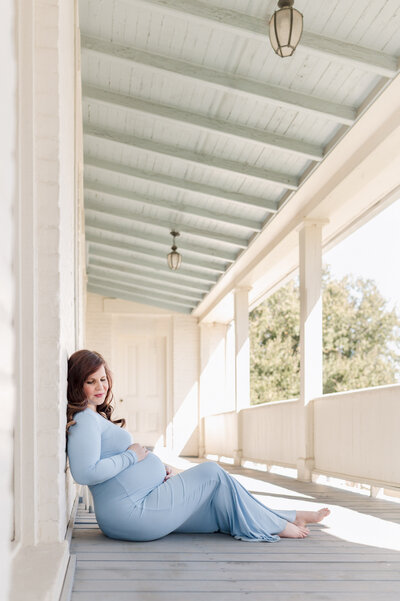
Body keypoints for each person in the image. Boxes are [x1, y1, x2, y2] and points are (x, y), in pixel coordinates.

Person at [66, 349, 330, 542]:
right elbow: (85, 472)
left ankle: (289, 514)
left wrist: (156, 469)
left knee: (217, 506)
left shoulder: (93, 416)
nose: (100, 386)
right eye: (91, 381)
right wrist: (133, 457)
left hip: (139, 507)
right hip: (132, 514)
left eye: (103, 379)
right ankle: (277, 525)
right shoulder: (84, 420)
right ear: (78, 384)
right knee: (212, 472)